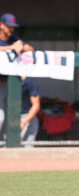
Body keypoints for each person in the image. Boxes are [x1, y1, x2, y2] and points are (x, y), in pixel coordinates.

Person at [0, 13, 35, 146]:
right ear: (1, 25)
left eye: (12, 26)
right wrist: (11, 48)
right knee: (0, 118)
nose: (11, 29)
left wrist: (23, 46)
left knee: (10, 119)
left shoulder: (14, 39)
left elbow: (31, 51)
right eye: (8, 26)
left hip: (10, 85)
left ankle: (3, 151)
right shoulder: (7, 43)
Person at [0, 76, 40, 148]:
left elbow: (36, 106)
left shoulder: (29, 82)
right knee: (6, 149)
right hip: (10, 118)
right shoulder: (6, 81)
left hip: (27, 118)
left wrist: (23, 122)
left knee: (27, 149)